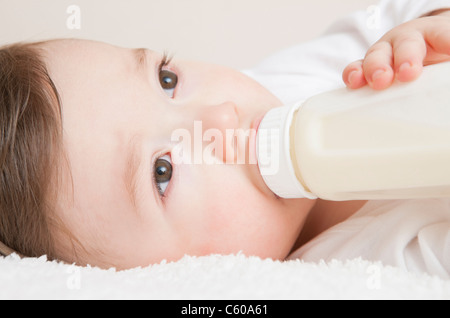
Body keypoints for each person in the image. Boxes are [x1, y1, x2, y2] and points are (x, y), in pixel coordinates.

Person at [0, 0, 449, 277]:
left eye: (167, 79)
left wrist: (429, 25)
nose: (218, 117)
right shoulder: (365, 270)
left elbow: (387, 18)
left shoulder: (295, 82)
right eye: (163, 171)